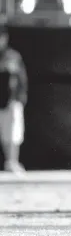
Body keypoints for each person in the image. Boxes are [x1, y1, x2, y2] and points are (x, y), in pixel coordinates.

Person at [0, 26, 27, 174]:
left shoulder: (13, 56)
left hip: (11, 100)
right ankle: (8, 161)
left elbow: (21, 79)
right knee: (4, 133)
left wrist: (21, 97)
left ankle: (12, 161)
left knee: (13, 133)